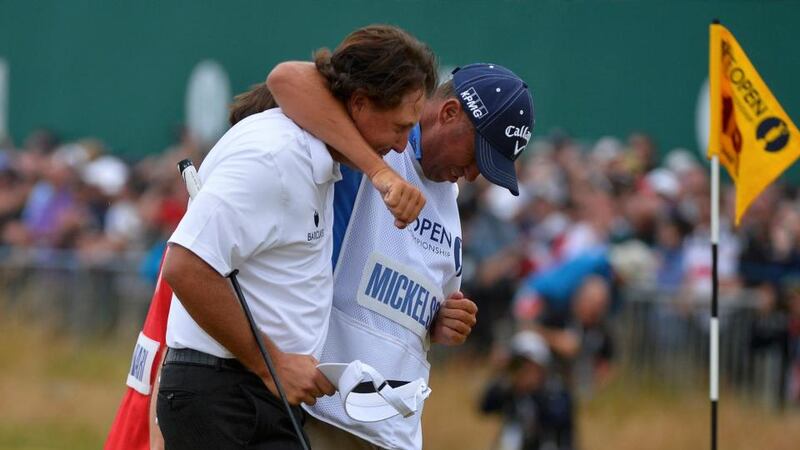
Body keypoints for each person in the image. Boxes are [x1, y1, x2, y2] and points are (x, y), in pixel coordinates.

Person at [151, 25, 437, 450]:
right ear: (358, 103)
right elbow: (185, 265)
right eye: (398, 128)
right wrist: (272, 364)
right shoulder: (275, 155)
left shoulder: (316, 158)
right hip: (222, 395)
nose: (400, 147)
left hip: (258, 395)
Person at [264, 61, 535, 449]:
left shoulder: (449, 196)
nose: (475, 174)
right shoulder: (378, 140)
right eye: (478, 154)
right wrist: (378, 170)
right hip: (320, 411)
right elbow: (286, 79)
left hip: (391, 429)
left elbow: (401, 297)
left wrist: (438, 322)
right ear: (449, 112)